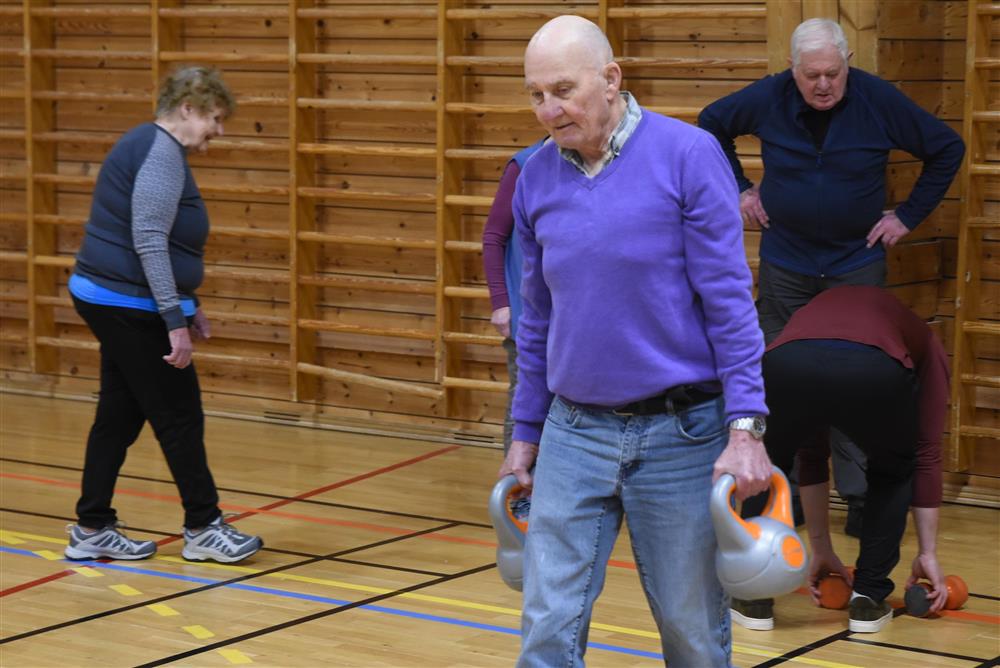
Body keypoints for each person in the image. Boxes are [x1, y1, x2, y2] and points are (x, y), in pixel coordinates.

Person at [498, 15, 771, 666]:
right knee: (547, 626)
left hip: (681, 435)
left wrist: (746, 429)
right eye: (535, 94)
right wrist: (525, 428)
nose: (548, 109)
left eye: (562, 89)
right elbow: (536, 317)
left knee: (691, 633)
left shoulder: (689, 154)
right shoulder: (533, 176)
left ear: (611, 79)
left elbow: (730, 302)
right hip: (572, 432)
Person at [698, 18, 963, 542]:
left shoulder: (877, 100)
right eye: (811, 75)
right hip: (787, 264)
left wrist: (906, 218)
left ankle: (860, 497)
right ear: (793, 71)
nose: (823, 85)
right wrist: (742, 189)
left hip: (854, 265)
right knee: (777, 380)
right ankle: (781, 493)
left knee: (853, 384)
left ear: (847, 66)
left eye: (833, 74)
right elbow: (711, 122)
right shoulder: (770, 96)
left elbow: (946, 148)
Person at [64, 66, 263, 564]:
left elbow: (164, 243)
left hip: (117, 297)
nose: (218, 131)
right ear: (188, 109)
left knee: (118, 415)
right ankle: (203, 526)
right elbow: (149, 239)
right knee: (178, 417)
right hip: (128, 305)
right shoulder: (160, 153)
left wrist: (187, 305)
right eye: (214, 119)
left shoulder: (155, 148)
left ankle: (92, 527)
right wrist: (174, 320)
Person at [749, 285, 949, 633]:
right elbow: (927, 452)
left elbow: (811, 455)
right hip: (872, 371)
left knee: (764, 464)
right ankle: (868, 599)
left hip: (785, 365)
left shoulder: (812, 315)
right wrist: (927, 553)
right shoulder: (926, 341)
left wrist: (820, 548)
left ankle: (752, 596)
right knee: (893, 470)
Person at [482, 138, 547, 457]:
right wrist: (501, 303)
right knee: (524, 409)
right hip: (529, 316)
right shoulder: (525, 164)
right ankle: (517, 492)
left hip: (575, 321)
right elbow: (494, 236)